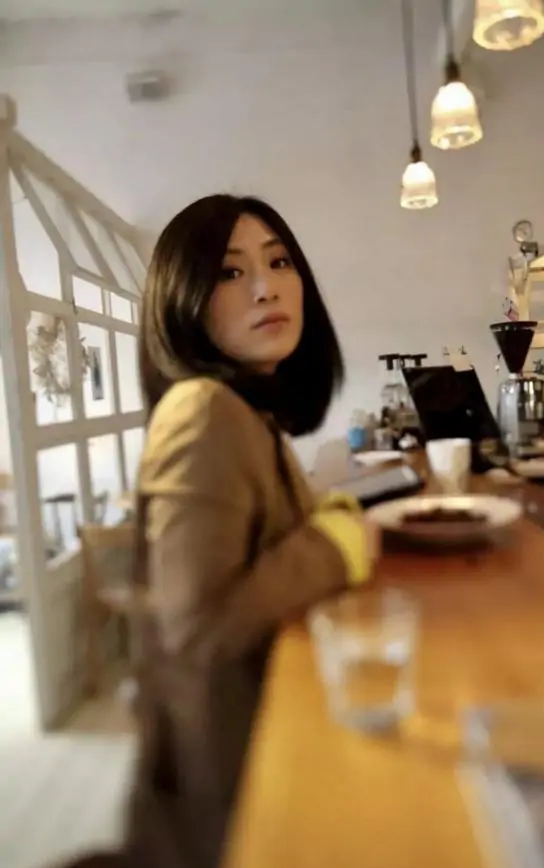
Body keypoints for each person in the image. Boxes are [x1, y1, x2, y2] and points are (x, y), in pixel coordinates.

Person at [110, 194, 380, 868]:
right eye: (231, 272)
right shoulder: (202, 410)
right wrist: (333, 547)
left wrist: (319, 517)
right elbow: (197, 628)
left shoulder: (246, 413)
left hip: (269, 751)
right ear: (183, 300)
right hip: (228, 803)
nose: (267, 287)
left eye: (280, 262)